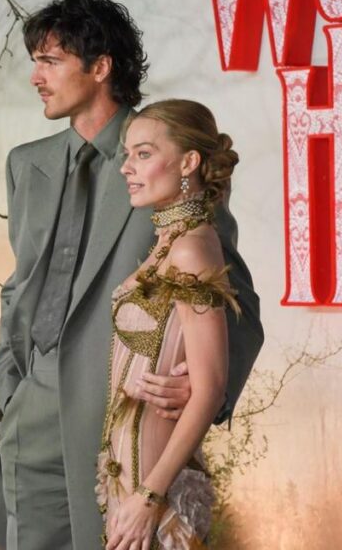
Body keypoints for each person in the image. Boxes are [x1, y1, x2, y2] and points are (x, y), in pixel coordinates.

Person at [0, 0, 264, 550]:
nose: (36, 77)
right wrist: (11, 384)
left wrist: (205, 388)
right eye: (34, 61)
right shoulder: (26, 164)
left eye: (50, 61)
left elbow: (238, 300)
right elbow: (20, 287)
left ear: (100, 66)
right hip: (31, 409)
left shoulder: (163, 151)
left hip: (124, 415)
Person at [97, 99, 237, 550]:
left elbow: (211, 387)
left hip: (157, 497)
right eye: (127, 154)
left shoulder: (192, 249)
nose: (127, 167)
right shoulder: (168, 243)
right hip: (131, 486)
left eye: (143, 153)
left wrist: (150, 497)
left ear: (188, 162)